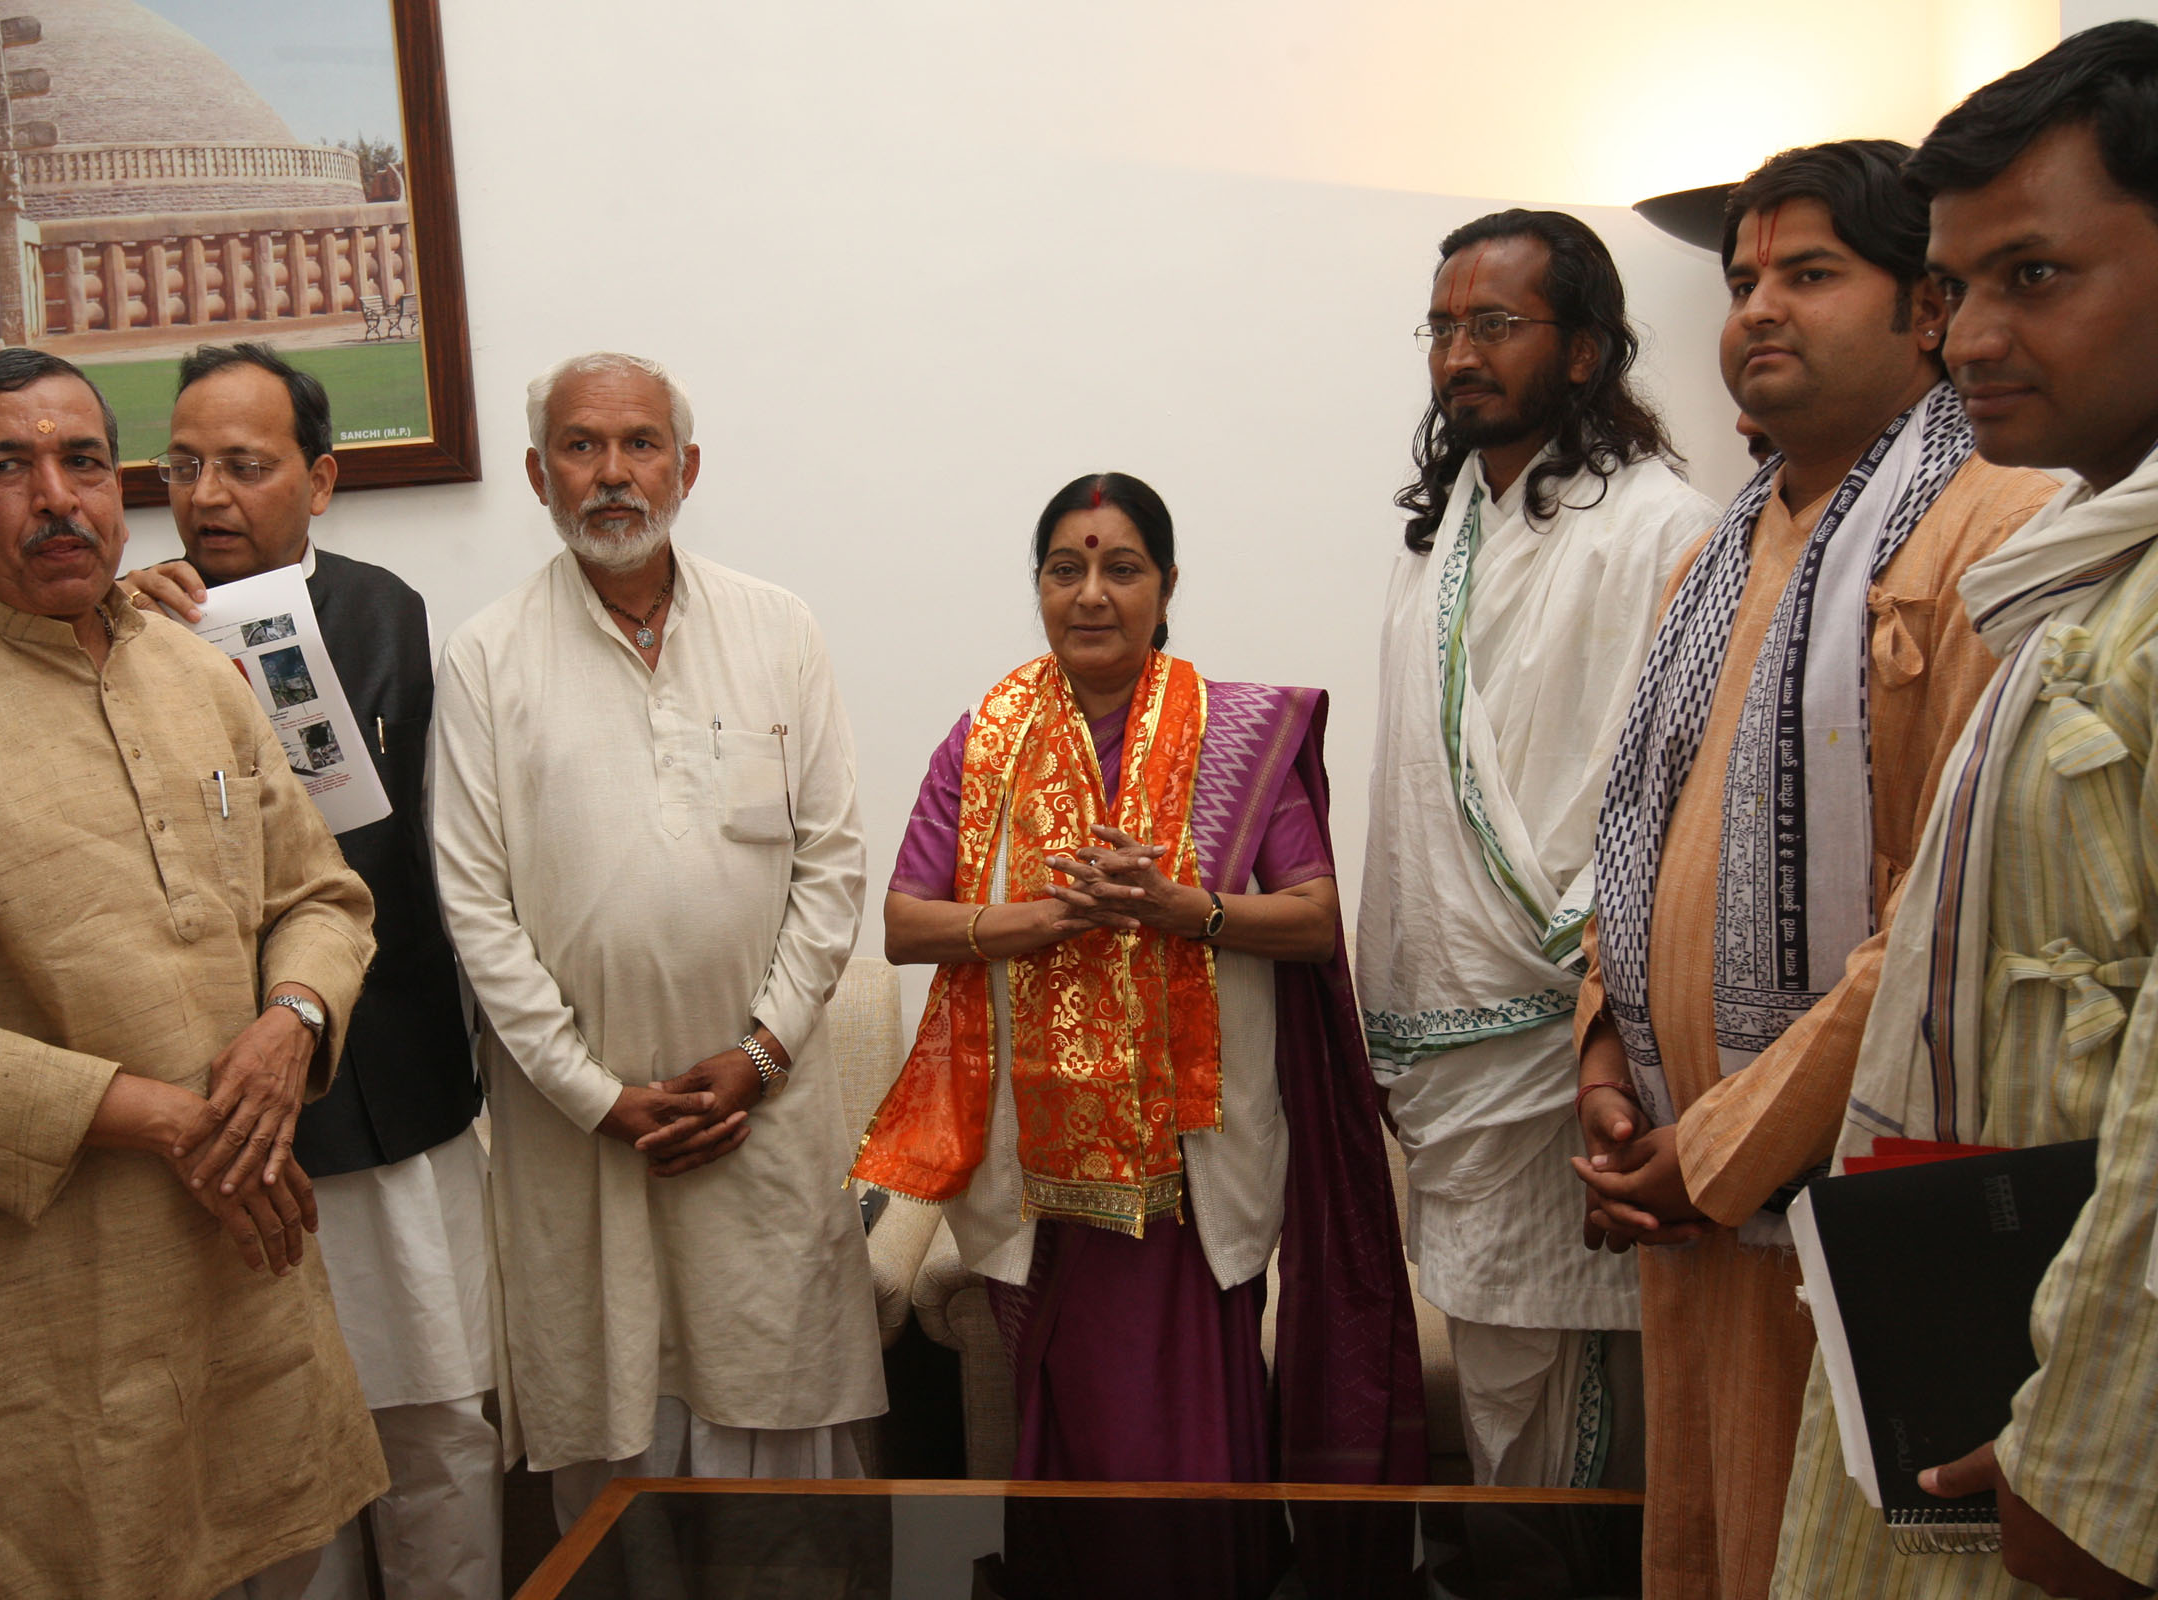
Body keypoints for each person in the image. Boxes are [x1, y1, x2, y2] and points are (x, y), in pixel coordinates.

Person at [0, 348, 385, 1600]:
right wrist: (179, 1123)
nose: (57, 495)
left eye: (80, 462)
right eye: (8, 466)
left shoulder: (191, 671)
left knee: (279, 1549)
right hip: (49, 1311)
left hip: (252, 1280)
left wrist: (290, 1021)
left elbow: (319, 895)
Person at [1573, 142, 2059, 1600]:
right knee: (1710, 1548)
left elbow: (1941, 913)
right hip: (1690, 1204)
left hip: (1852, 1197)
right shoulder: (1714, 553)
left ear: (1929, 308)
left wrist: (1724, 1147)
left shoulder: (1998, 529)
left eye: (1808, 272)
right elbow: (1638, 841)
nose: (1757, 309)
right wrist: (1609, 1056)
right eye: (1740, 281)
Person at [1772, 24, 2158, 1599]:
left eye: (2037, 277)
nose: (1973, 337)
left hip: (2078, 1440)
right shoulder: (2082, 575)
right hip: (1975, 1353)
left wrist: (2092, 1455)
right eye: (1960, 288)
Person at [855, 471, 1425, 1505]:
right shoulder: (983, 740)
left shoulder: (1236, 734)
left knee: (1190, 1442)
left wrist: (1182, 908)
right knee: (1078, 1439)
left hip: (1193, 1162)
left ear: (1166, 587)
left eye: (1122, 568)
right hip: (1036, 1165)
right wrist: (1030, 922)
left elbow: (1310, 918)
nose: (1091, 593)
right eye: (1066, 569)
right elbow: (904, 924)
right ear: (1037, 586)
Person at [432, 352, 882, 1526]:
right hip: (582, 1141)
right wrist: (599, 1096)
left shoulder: (778, 628)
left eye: (641, 444)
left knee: (775, 1432)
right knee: (614, 1450)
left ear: (688, 466)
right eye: (583, 446)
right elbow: (473, 908)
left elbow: (832, 863)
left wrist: (762, 1055)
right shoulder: (488, 657)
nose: (614, 473)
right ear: (539, 474)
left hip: (762, 1118)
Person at [120, 343, 498, 1600]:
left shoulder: (388, 609)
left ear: (321, 477)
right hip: (227, 1104)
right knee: (273, 1446)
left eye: (245, 464)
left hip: (391, 1078)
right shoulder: (113, 631)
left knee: (436, 1412)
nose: (209, 494)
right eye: (183, 466)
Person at [1360, 210, 1714, 1491]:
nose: (1460, 353)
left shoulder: (1662, 528)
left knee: (1602, 1401)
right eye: (1444, 326)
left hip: (1579, 1036)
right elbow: (1417, 807)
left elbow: (1673, 794)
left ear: (1585, 350)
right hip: (1450, 1044)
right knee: (1507, 1375)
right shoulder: (1441, 532)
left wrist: (1590, 989)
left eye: (1495, 324)